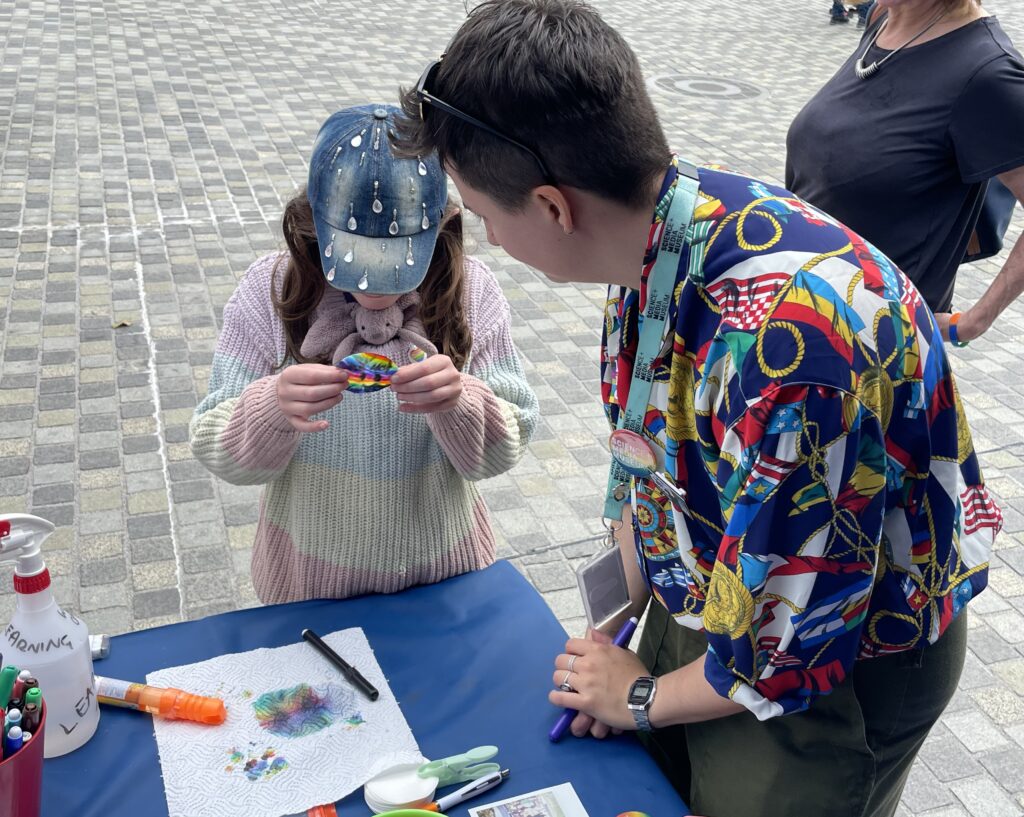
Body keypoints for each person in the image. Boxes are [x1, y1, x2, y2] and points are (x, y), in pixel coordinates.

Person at [392, 2, 1002, 815]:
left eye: (484, 215)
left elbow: (786, 652)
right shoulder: (662, 231)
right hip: (733, 588)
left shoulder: (793, 352)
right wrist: (622, 625)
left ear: (551, 206)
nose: (491, 243)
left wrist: (638, 698)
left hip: (842, 657)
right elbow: (645, 449)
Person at [190, 104, 538, 604]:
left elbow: (512, 438)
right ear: (312, 225)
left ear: (443, 226)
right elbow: (214, 447)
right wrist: (272, 409)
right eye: (354, 263)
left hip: (447, 574)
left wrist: (460, 404)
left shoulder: (471, 293)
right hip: (310, 584)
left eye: (399, 265)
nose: (377, 293)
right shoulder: (270, 292)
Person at [788, 0, 1024, 346]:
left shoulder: (989, 71)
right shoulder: (885, 20)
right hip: (801, 318)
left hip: (870, 353)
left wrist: (972, 322)